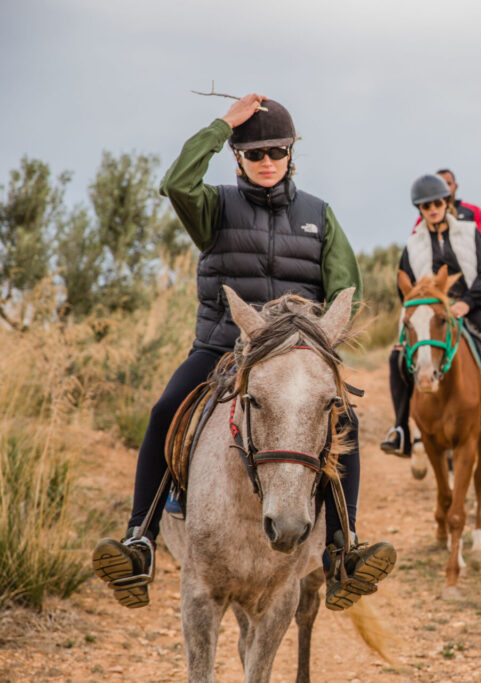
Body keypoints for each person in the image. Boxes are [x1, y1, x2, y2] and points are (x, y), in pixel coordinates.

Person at [91, 94, 394, 611]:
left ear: (291, 153)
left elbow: (348, 288)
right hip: (223, 347)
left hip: (296, 350)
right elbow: (175, 183)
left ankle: (344, 550)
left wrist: (315, 339)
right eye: (254, 153)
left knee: (345, 420)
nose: (267, 160)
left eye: (277, 150)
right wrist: (221, 125)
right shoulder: (213, 208)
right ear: (238, 159)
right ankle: (139, 540)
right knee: (166, 410)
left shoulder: (319, 216)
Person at [380, 174, 481, 458]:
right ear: (420, 211)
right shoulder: (413, 245)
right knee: (396, 357)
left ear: (446, 202)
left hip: (473, 306)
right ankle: (401, 429)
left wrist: (467, 303)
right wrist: (420, 310)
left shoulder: (470, 232)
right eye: (426, 207)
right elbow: (406, 290)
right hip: (432, 313)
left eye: (437, 203)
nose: (433, 209)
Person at [414, 169, 481, 350]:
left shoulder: (471, 212)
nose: (433, 209)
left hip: (474, 279)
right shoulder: (421, 225)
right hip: (438, 298)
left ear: (455, 187)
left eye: (448, 183)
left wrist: (475, 255)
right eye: (427, 206)